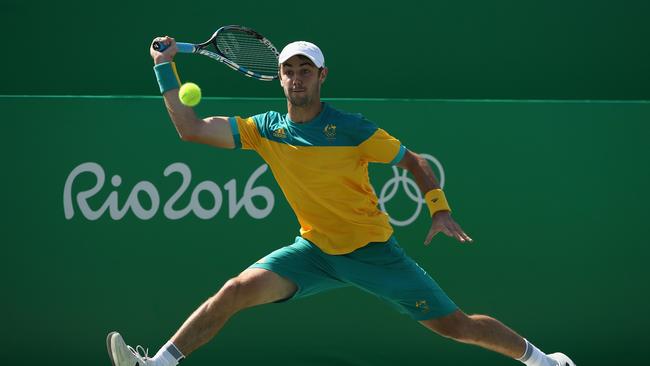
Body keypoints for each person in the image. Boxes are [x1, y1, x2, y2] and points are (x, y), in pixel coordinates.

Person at [106, 37, 576, 366]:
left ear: (321, 76)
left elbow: (412, 162)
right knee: (234, 291)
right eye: (288, 71)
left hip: (372, 252)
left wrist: (439, 208)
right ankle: (159, 363)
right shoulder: (265, 128)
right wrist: (163, 66)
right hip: (312, 252)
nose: (295, 78)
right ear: (280, 78)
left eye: (304, 71)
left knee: (456, 325)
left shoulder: (352, 128)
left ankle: (544, 361)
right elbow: (190, 128)